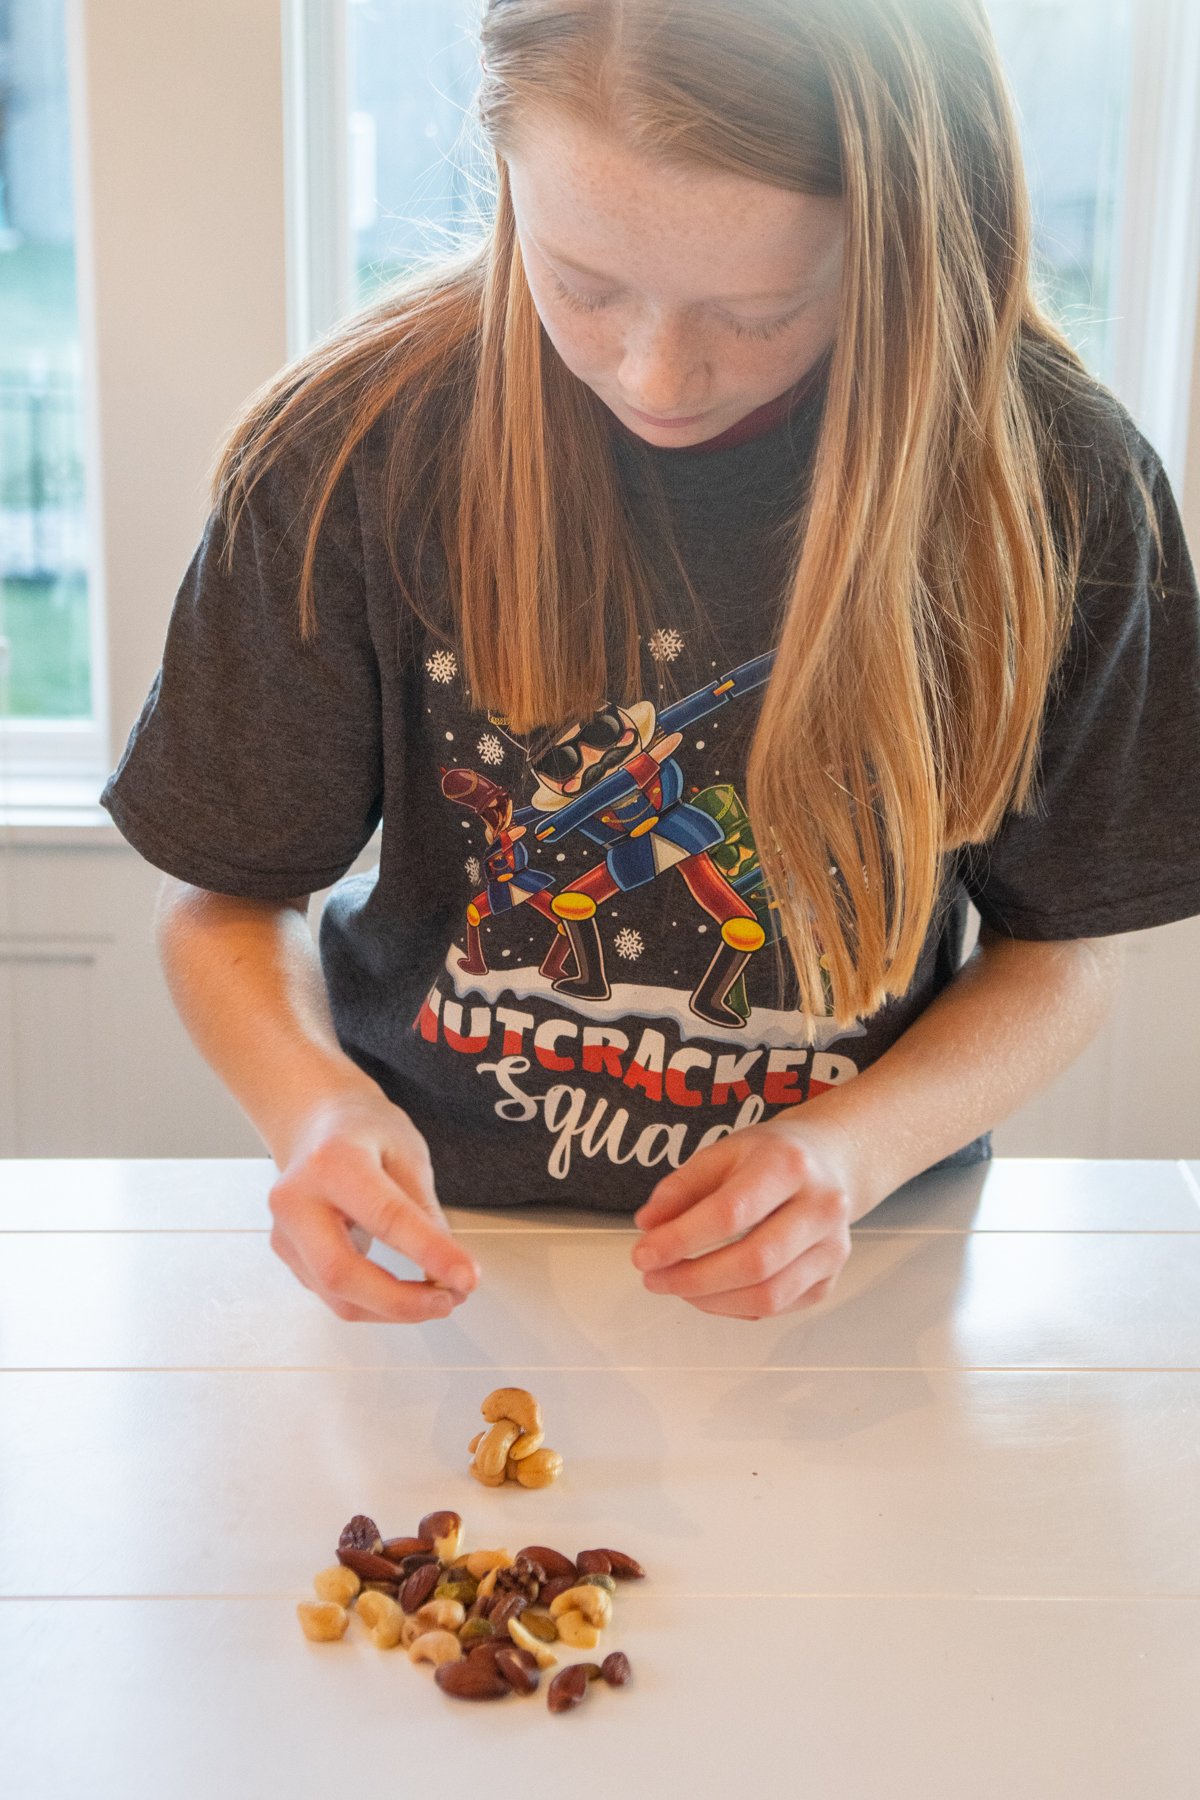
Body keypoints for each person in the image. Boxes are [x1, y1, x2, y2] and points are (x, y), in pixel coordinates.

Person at [101, 0, 1200, 1327]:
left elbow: (1063, 946)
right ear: (504, 176)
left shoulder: (1057, 484)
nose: (658, 373)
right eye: (583, 281)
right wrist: (314, 1107)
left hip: (858, 1268)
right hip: (442, 1250)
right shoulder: (352, 452)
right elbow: (226, 897)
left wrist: (846, 1153)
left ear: (906, 236)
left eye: (759, 307)